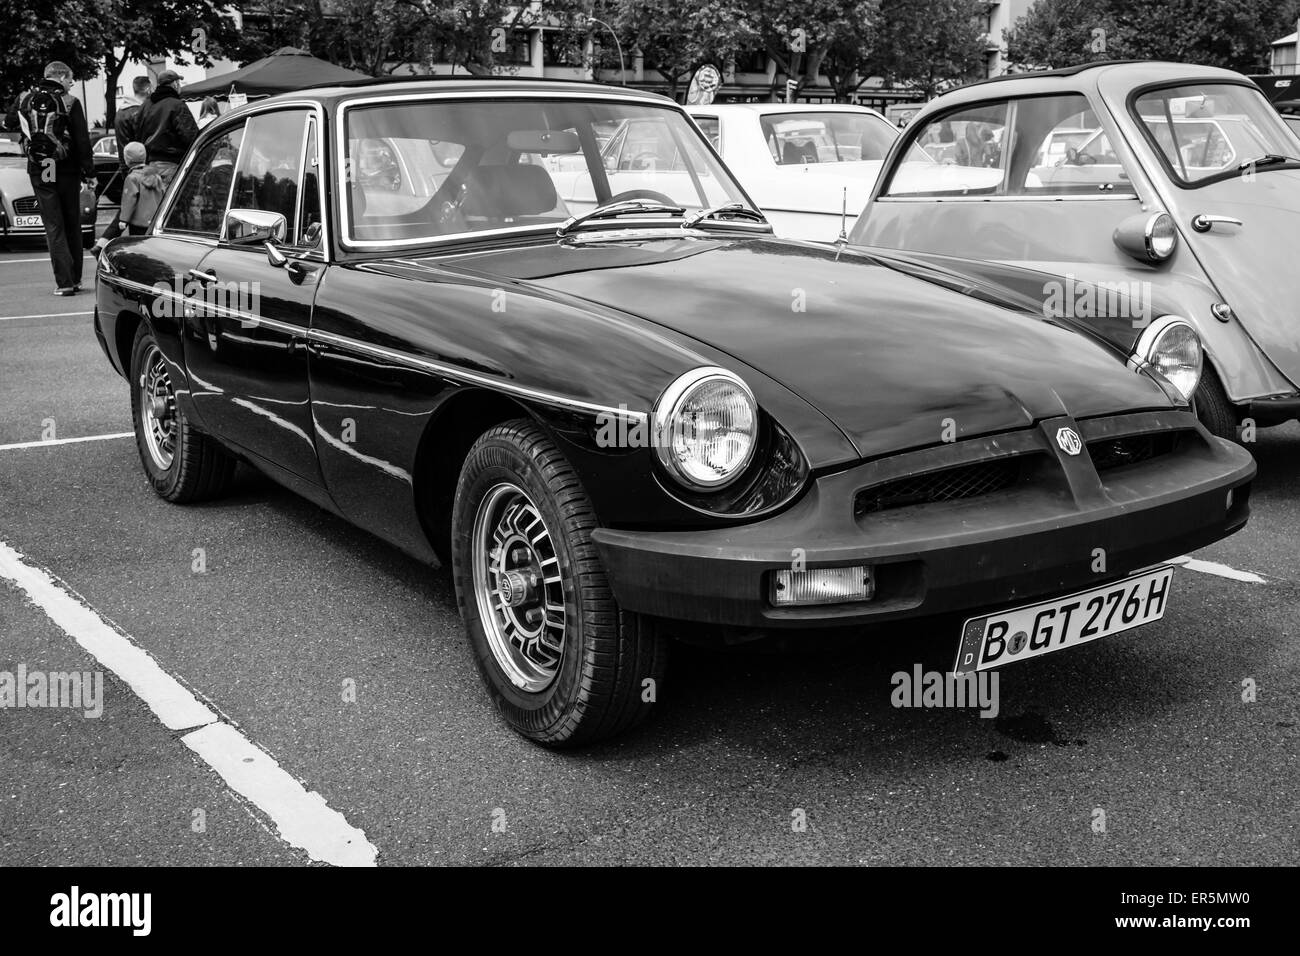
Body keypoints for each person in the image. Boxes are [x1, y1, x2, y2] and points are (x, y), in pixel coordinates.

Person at [4, 61, 95, 295]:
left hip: (42, 166)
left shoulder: (25, 98)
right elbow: (82, 139)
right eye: (70, 79)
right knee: (71, 221)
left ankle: (63, 283)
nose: (72, 83)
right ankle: (75, 279)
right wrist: (89, 172)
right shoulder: (70, 102)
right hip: (65, 167)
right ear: (60, 77)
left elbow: (10, 123)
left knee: (53, 224)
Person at [90, 141, 165, 254]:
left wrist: (123, 220)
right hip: (154, 220)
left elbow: (129, 200)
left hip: (138, 221)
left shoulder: (132, 178)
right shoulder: (156, 176)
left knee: (137, 248)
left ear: (127, 160)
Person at [133, 69, 198, 186]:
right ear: (174, 84)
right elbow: (191, 136)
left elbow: (137, 133)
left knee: (156, 202)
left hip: (150, 166)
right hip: (172, 164)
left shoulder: (145, 106)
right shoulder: (177, 105)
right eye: (179, 83)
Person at [114, 75, 152, 166]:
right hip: (140, 164)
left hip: (126, 163)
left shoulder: (121, 111)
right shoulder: (139, 112)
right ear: (148, 89)